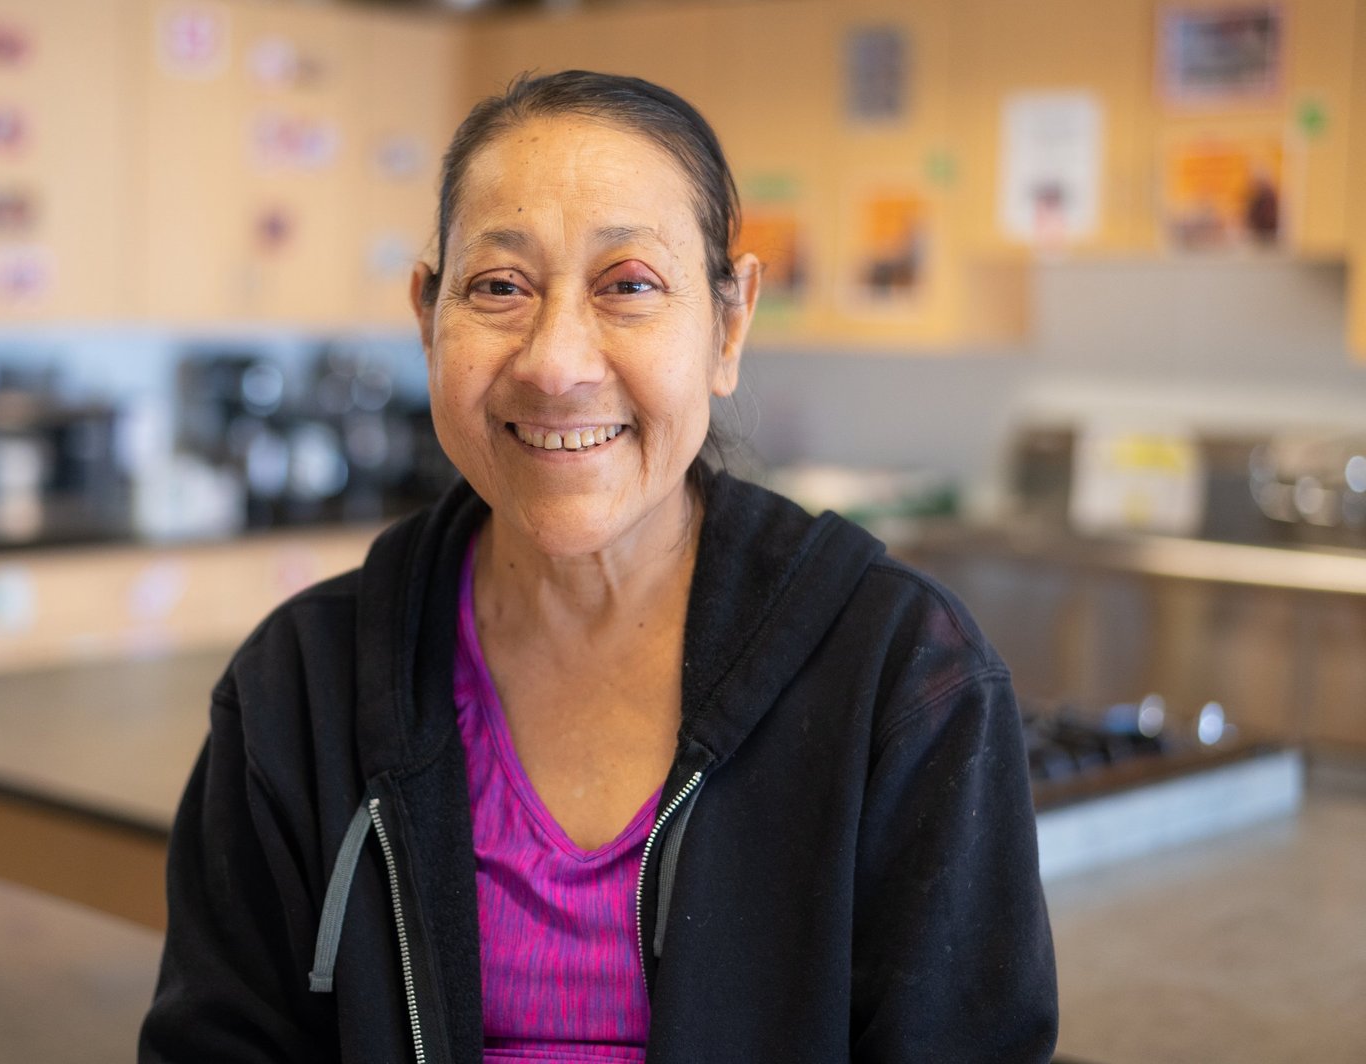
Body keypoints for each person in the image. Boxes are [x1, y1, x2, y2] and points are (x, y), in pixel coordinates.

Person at [140, 70, 1058, 1063]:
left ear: (729, 324)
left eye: (628, 285)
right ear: (427, 314)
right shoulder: (299, 688)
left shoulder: (898, 679)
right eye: (500, 287)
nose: (555, 363)